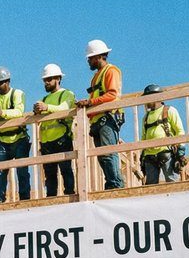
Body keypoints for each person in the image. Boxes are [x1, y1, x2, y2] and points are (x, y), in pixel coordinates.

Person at [75, 40, 125, 190]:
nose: (88, 61)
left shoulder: (111, 71)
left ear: (98, 57)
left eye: (90, 58)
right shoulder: (96, 77)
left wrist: (90, 103)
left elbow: (112, 94)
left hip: (108, 117)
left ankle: (116, 185)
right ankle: (111, 184)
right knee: (102, 157)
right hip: (97, 120)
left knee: (108, 154)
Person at [0, 66, 30, 202]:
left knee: (22, 170)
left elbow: (19, 111)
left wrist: (2, 113)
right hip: (2, 140)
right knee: (0, 171)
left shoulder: (17, 94)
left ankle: (24, 198)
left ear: (8, 81)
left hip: (19, 138)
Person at [32, 63, 76, 196]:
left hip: (62, 138)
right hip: (47, 142)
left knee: (65, 170)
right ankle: (51, 197)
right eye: (45, 80)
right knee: (50, 174)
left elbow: (64, 108)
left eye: (49, 80)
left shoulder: (67, 94)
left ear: (58, 79)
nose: (46, 83)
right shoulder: (45, 99)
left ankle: (69, 194)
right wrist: (37, 112)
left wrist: (46, 107)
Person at [139, 84, 187, 185]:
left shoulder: (169, 111)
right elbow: (143, 139)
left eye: (148, 98)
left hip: (166, 152)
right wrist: (142, 156)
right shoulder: (145, 117)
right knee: (150, 188)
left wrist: (181, 150)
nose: (146, 101)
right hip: (149, 156)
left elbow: (180, 132)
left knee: (172, 183)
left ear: (157, 97)